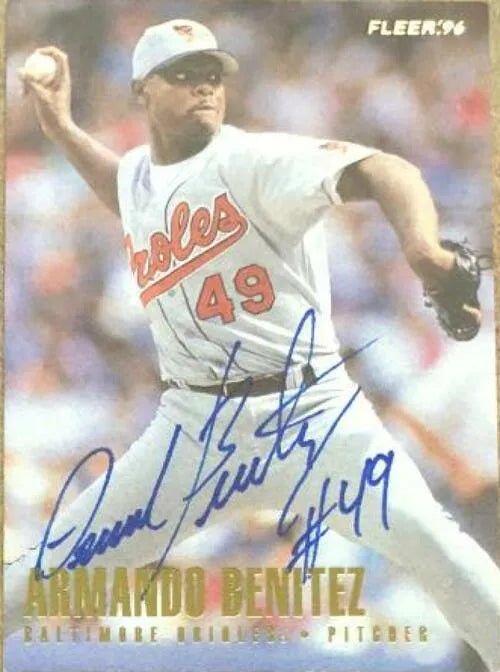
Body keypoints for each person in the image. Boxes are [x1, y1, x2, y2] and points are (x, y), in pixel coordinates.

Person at [9, 18, 500, 670]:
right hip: (194, 428)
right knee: (46, 568)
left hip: (314, 416)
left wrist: (423, 249)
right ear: (142, 91)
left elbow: (386, 168)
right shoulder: (142, 178)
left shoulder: (255, 158)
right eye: (183, 74)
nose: (204, 86)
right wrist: (60, 127)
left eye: (212, 74)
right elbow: (123, 187)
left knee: (444, 555)